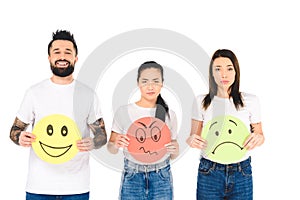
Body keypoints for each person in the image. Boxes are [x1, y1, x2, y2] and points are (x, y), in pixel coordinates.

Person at [9, 30, 107, 200]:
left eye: (68, 52)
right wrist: (20, 137)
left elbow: (102, 135)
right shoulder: (34, 92)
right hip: (39, 186)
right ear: (49, 58)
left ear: (76, 58)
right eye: (57, 52)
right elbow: (15, 130)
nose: (62, 57)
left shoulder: (87, 94)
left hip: (77, 187)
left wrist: (93, 142)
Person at [186, 49, 265, 200]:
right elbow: (193, 136)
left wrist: (258, 138)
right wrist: (191, 140)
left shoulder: (251, 101)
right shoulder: (201, 102)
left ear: (236, 72)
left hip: (242, 171)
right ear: (212, 73)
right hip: (209, 171)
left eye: (229, 68)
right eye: (218, 69)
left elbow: (260, 135)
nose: (224, 74)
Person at [107, 61, 179, 200]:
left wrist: (176, 149)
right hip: (133, 175)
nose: (150, 86)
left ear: (162, 83)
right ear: (138, 83)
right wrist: (116, 144)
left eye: (155, 81)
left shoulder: (170, 114)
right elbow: (111, 148)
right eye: (145, 81)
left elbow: (173, 152)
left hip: (161, 176)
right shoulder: (124, 111)